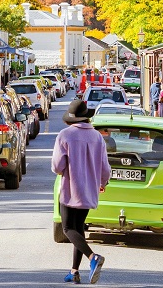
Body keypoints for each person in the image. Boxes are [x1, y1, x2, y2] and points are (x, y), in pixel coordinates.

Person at [52, 99, 111, 284]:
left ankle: (92, 257)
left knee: (68, 228)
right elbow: (105, 168)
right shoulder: (97, 136)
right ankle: (74, 271)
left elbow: (57, 166)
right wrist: (103, 182)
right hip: (89, 190)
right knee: (78, 229)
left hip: (71, 189)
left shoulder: (65, 135)